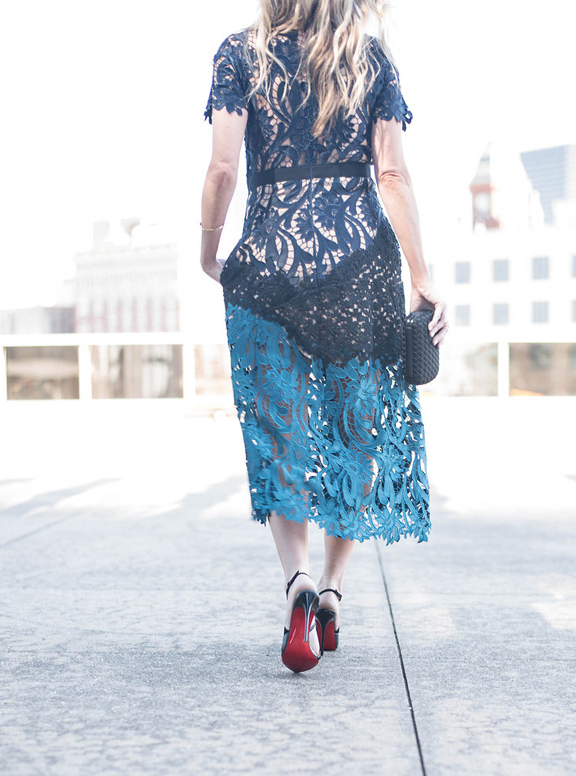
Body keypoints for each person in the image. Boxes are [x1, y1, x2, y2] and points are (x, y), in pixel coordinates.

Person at [201, 0, 447, 673]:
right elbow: (391, 175)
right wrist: (423, 278)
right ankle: (334, 590)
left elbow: (224, 170)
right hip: (358, 267)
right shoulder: (369, 59)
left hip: (267, 265)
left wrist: (208, 249)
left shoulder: (239, 54)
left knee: (282, 427)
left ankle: (299, 581)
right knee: (355, 431)